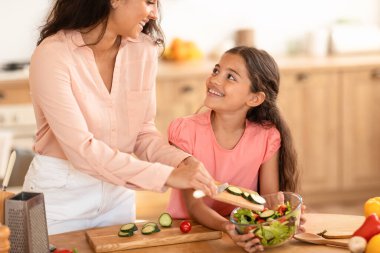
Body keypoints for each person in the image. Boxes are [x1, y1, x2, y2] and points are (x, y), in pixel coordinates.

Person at [22, 0, 216, 235]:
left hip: (118, 195)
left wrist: (182, 161)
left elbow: (143, 134)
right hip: (61, 199)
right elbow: (82, 150)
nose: (154, 14)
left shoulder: (144, 50)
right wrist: (169, 175)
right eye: (149, 2)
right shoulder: (53, 54)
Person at [166, 46, 301, 252]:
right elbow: (194, 205)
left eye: (231, 77)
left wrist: (285, 214)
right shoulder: (185, 131)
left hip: (241, 234)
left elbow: (266, 201)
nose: (215, 79)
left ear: (254, 98)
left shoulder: (266, 136)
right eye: (216, 70)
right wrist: (228, 227)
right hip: (189, 234)